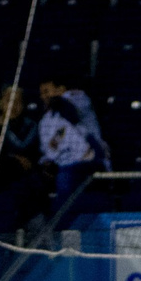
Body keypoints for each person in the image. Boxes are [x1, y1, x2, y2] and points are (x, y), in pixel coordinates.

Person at [33, 78, 108, 208]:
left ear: (60, 90)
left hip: (92, 160)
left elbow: (67, 104)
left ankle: (61, 224)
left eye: (47, 91)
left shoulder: (79, 99)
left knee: (65, 178)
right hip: (64, 166)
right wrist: (46, 163)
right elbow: (48, 150)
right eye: (41, 93)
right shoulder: (45, 121)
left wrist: (61, 95)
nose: (43, 96)